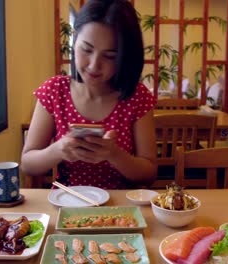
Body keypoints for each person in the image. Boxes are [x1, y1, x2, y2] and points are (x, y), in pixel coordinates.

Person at [21, 0, 157, 189]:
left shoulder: (136, 96)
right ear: (75, 41)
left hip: (121, 210)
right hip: (67, 203)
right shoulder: (55, 91)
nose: (94, 65)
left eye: (109, 56)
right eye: (86, 49)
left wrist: (114, 155)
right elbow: (27, 164)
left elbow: (149, 174)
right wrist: (58, 149)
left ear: (125, 57)